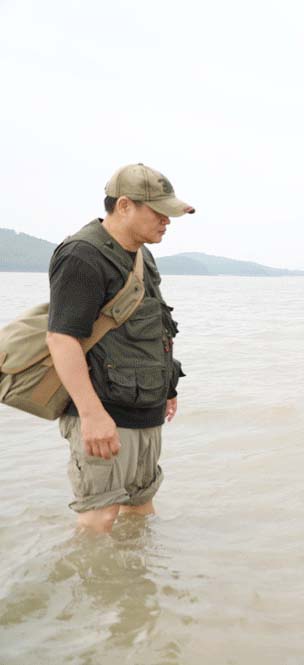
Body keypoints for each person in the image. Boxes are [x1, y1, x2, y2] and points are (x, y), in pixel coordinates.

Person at [46, 163, 193, 533]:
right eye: (158, 212)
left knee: (140, 508)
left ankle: (135, 590)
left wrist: (168, 388)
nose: (167, 221)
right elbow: (62, 339)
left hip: (144, 407)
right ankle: (94, 589)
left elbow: (156, 324)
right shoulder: (82, 255)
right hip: (102, 412)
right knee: (99, 517)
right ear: (124, 206)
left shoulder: (143, 255)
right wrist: (92, 415)